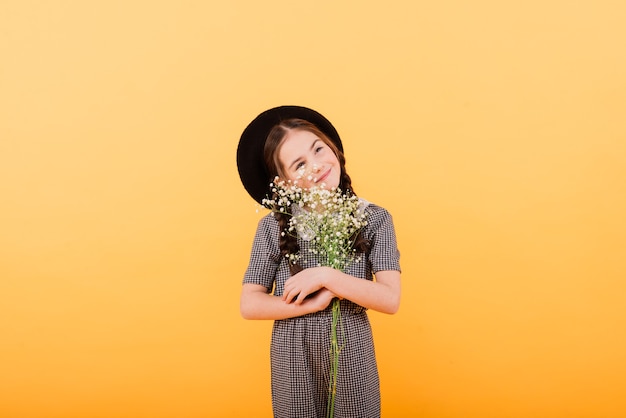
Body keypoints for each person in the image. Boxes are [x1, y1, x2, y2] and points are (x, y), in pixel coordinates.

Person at [237, 105, 401, 418]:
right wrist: (313, 304)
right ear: (284, 184)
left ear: (335, 150)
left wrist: (328, 277)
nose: (316, 165)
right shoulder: (273, 226)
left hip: (352, 352)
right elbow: (250, 303)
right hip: (292, 356)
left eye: (318, 149)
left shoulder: (374, 219)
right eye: (299, 164)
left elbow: (390, 299)